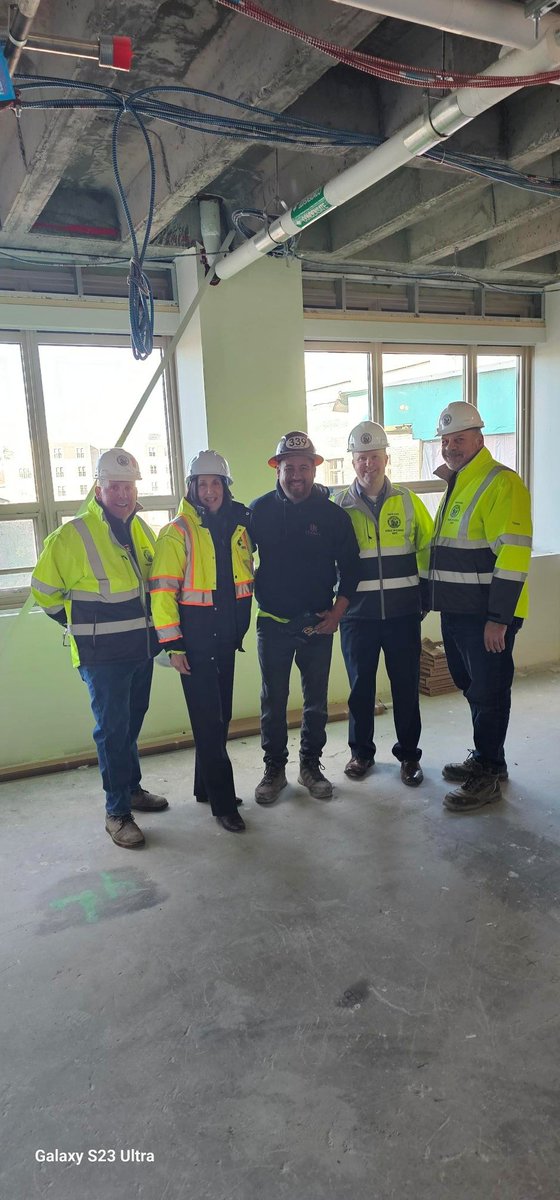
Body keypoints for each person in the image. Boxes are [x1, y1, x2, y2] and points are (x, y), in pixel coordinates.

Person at [31, 448, 168, 849]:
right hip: (102, 657)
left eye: (128, 486)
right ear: (99, 488)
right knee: (112, 730)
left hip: (141, 649)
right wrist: (79, 628)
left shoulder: (141, 529)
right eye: (114, 487)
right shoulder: (72, 536)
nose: (123, 494)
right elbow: (44, 593)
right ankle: (117, 812)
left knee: (130, 725)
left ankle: (132, 790)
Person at [429, 401, 532, 813]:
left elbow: (513, 554)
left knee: (488, 691)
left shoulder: (500, 483)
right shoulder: (460, 481)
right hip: (458, 611)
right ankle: (491, 758)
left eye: (459, 439)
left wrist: (498, 618)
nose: (451, 447)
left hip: (487, 616)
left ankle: (487, 773)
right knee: (473, 687)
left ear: (479, 439)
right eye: (446, 440)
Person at [249, 431, 360, 805]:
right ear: (276, 469)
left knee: (315, 702)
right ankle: (274, 770)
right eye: (288, 467)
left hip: (317, 623)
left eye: (303, 467)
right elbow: (236, 559)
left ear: (314, 469)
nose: (296, 474)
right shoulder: (259, 511)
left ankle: (310, 766)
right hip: (273, 624)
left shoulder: (332, 516)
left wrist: (338, 614)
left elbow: (351, 568)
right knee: (273, 701)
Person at [149, 451, 253, 834]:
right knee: (210, 723)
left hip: (226, 638)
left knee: (218, 717)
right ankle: (224, 803)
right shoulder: (177, 532)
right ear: (191, 488)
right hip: (193, 643)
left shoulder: (237, 528)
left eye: (216, 483)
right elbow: (162, 592)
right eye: (202, 483)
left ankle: (204, 788)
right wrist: (173, 646)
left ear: (225, 487)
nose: (209, 491)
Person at [335, 421, 434, 787]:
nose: (368, 465)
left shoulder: (407, 502)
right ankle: (361, 753)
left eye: (374, 457)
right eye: (361, 458)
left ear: (386, 459)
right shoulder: (338, 506)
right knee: (360, 687)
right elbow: (326, 559)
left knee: (405, 686)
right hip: (357, 616)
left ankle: (409, 756)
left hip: (402, 615)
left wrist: (424, 594)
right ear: (353, 462)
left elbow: (427, 547)